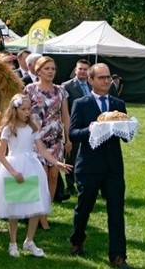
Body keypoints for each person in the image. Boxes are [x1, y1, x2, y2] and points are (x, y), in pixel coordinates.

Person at [0, 93, 72, 258]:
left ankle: (29, 241)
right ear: (15, 110)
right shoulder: (8, 129)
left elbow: (41, 150)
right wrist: (13, 171)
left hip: (31, 166)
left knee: (35, 204)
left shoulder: (33, 128)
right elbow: (1, 155)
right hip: (14, 167)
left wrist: (56, 162)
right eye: (23, 109)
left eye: (29, 109)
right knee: (14, 207)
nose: (27, 112)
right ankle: (12, 243)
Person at [69, 63, 130, 268]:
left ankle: (118, 255)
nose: (106, 81)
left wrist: (128, 129)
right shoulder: (81, 103)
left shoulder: (118, 104)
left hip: (113, 167)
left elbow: (127, 137)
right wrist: (92, 130)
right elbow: (73, 133)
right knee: (84, 207)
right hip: (89, 165)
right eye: (102, 78)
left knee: (116, 211)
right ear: (91, 80)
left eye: (108, 78)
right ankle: (77, 240)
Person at [24, 55, 71, 230]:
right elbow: (23, 112)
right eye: (47, 68)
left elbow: (65, 116)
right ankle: (35, 212)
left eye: (52, 69)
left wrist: (68, 138)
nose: (50, 72)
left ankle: (44, 211)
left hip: (55, 138)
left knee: (53, 176)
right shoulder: (29, 89)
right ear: (38, 71)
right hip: (36, 138)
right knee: (41, 177)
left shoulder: (61, 91)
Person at [62, 59, 91, 198]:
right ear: (75, 69)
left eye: (85, 69)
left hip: (91, 128)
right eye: (80, 68)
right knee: (72, 158)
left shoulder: (92, 85)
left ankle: (85, 183)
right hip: (74, 127)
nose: (82, 71)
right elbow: (65, 111)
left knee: (89, 157)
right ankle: (70, 185)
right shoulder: (66, 86)